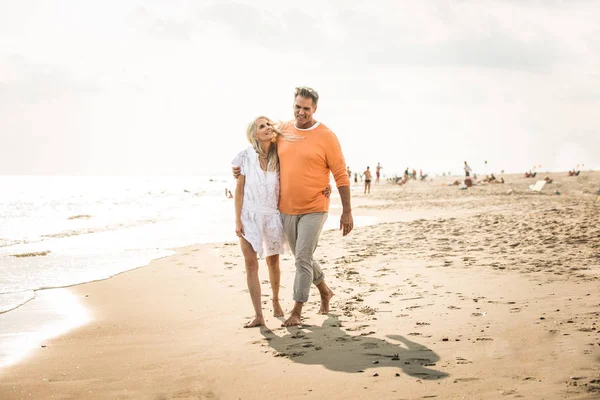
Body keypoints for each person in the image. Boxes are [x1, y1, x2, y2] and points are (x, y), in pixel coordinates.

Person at [233, 86, 353, 327]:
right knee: (302, 257)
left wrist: (347, 211)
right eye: (297, 107)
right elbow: (260, 150)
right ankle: (325, 290)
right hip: (285, 209)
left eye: (306, 108)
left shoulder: (327, 136)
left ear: (315, 109)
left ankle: (297, 310)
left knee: (302, 257)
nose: (301, 112)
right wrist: (238, 168)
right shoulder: (284, 130)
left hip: (315, 206)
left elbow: (340, 174)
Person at [232, 116, 286, 328]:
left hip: (272, 214)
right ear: (253, 134)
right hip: (249, 214)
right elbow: (239, 190)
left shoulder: (280, 155)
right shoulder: (245, 157)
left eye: (268, 124)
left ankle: (275, 301)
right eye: (261, 126)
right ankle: (258, 315)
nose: (266, 128)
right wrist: (237, 219)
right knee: (250, 262)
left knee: (273, 262)